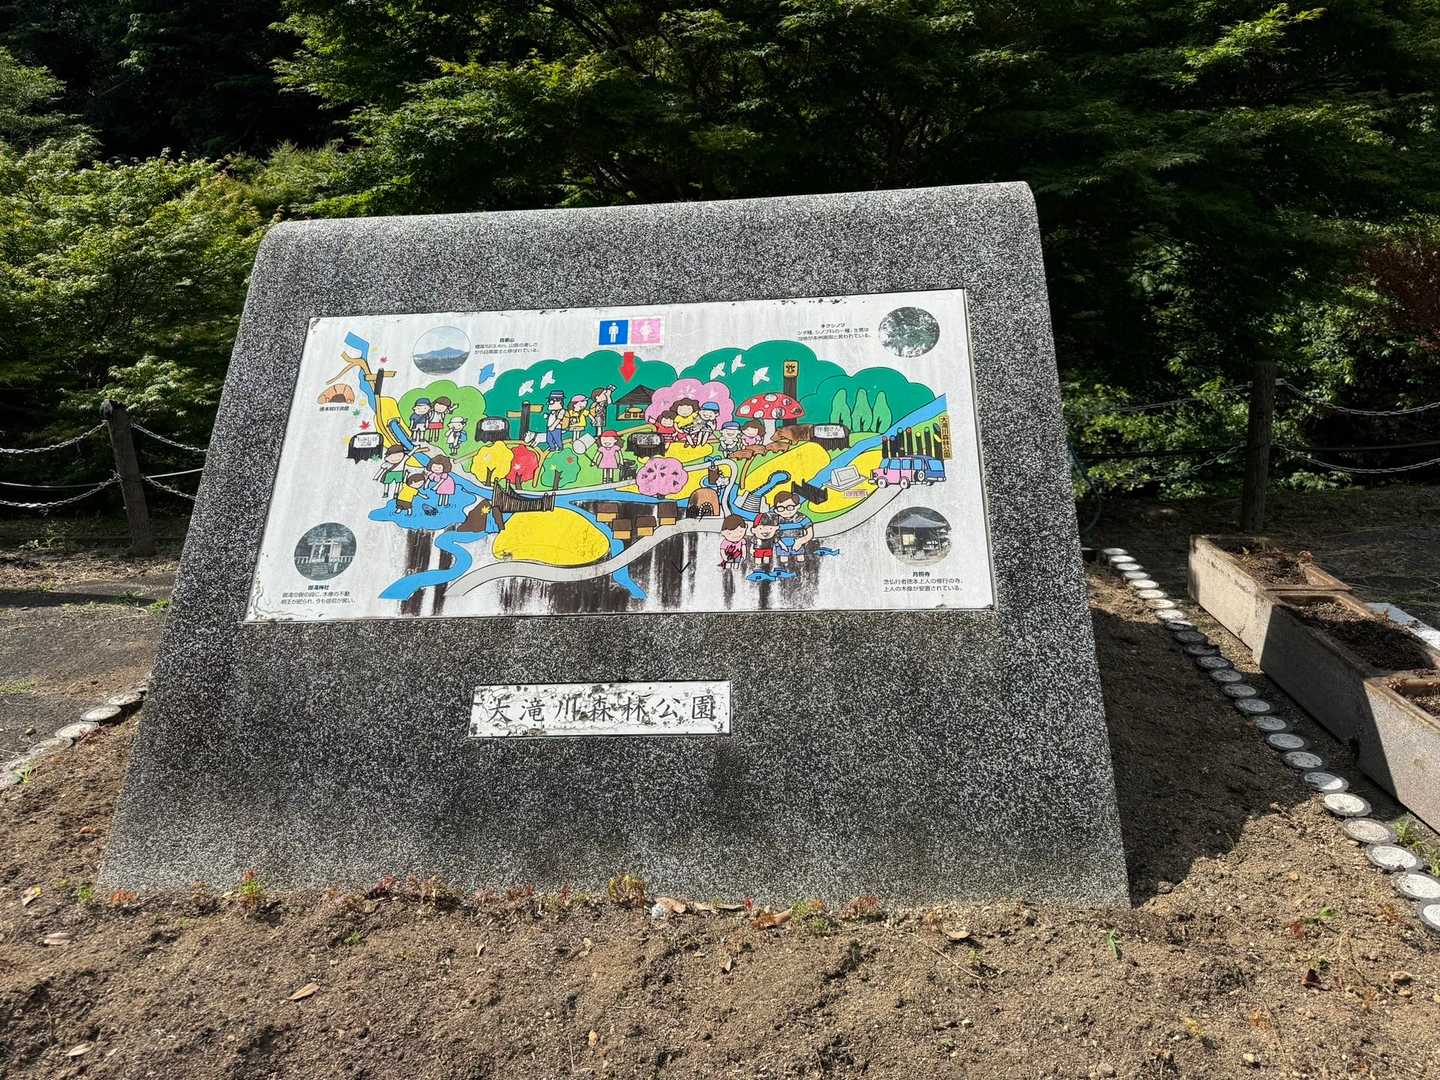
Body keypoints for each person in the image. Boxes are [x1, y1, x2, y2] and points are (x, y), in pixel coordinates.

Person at [771, 488, 814, 564]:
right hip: (782, 545)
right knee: (783, 560)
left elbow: (810, 534)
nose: (786, 511)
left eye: (790, 507)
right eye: (781, 508)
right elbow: (772, 534)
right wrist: (780, 543)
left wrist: (800, 541)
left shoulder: (802, 518)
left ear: (798, 506)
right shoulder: (776, 520)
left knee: (800, 559)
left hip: (798, 544)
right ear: (775, 510)